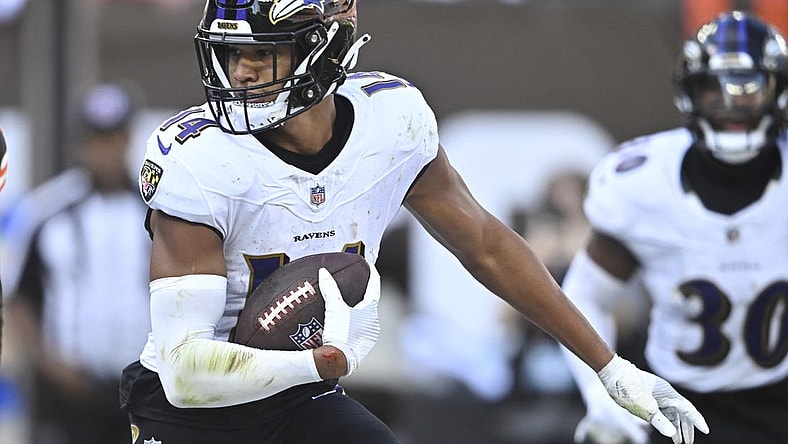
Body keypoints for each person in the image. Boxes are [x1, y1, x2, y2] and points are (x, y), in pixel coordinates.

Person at [119, 2, 709, 444]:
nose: (240, 74)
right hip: (189, 413)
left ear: (324, 50)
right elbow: (182, 371)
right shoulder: (198, 159)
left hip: (297, 398)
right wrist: (317, 362)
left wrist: (609, 366)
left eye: (260, 53)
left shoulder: (391, 124)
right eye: (231, 55)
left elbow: (486, 245)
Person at [559, 11, 788, 444]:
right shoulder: (644, 185)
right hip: (676, 404)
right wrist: (601, 392)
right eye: (713, 90)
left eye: (749, 89)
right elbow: (586, 295)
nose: (731, 105)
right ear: (689, 92)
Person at [2, 83, 152, 444]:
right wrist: (48, 363)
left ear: (129, 140)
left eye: (115, 139)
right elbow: (20, 296)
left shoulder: (157, 213)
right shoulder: (47, 210)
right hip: (66, 392)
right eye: (97, 140)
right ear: (81, 144)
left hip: (142, 387)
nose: (106, 151)